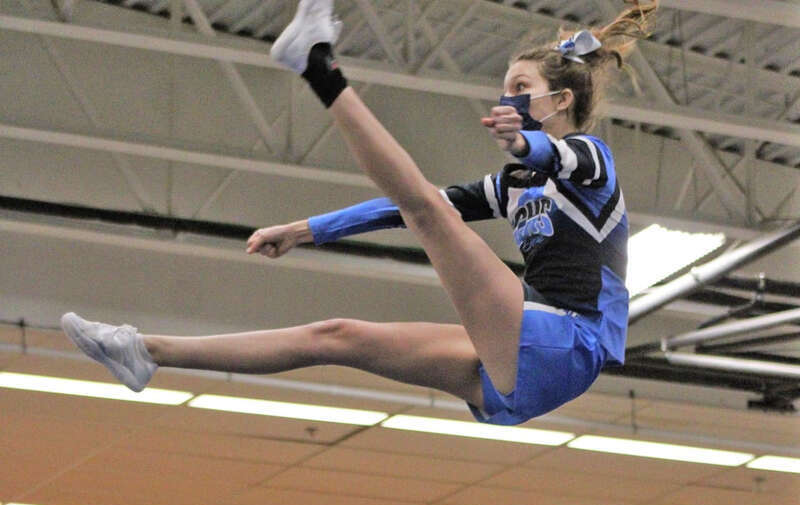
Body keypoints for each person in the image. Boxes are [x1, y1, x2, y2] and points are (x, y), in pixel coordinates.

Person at [61, 0, 657, 425]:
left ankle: (317, 66)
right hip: (520, 365)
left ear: (561, 99)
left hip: (567, 342)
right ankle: (145, 352)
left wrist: (523, 142)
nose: (505, 100)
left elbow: (554, 154)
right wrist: (307, 229)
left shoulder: (591, 159)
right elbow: (403, 205)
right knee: (337, 335)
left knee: (430, 212)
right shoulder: (514, 186)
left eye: (518, 88)